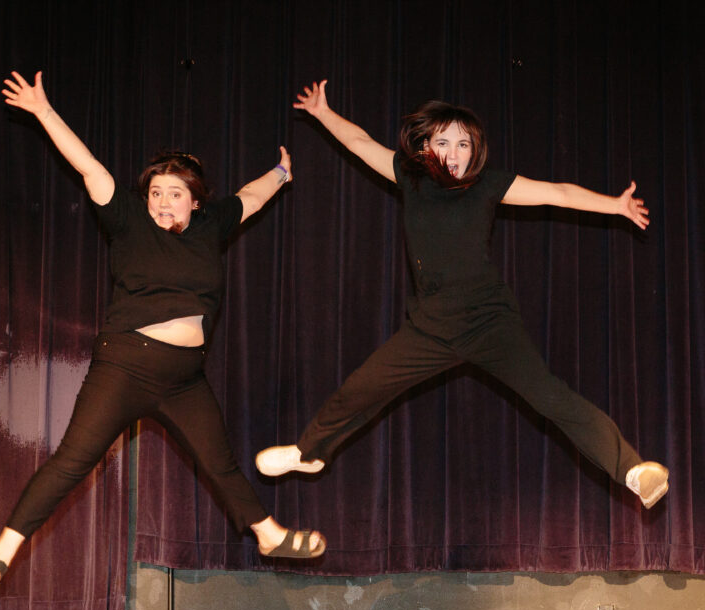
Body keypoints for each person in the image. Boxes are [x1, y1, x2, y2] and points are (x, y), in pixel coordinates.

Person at [0, 71, 325, 600]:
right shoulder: (128, 221)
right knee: (72, 460)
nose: (162, 201)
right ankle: (0, 553)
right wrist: (42, 110)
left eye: (174, 193)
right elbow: (87, 165)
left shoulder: (210, 227)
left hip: (184, 378)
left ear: (195, 202)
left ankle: (269, 536)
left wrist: (280, 172)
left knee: (219, 463)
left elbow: (251, 195)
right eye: (156, 192)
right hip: (125, 365)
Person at [256, 79, 669, 510]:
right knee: (361, 389)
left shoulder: (488, 185)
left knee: (552, 397)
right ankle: (309, 453)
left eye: (463, 144)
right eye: (443, 142)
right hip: (430, 328)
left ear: (476, 151)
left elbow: (556, 193)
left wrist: (615, 205)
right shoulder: (410, 178)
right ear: (425, 147)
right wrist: (323, 112)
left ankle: (633, 472)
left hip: (489, 323)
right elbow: (359, 142)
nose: (453, 154)